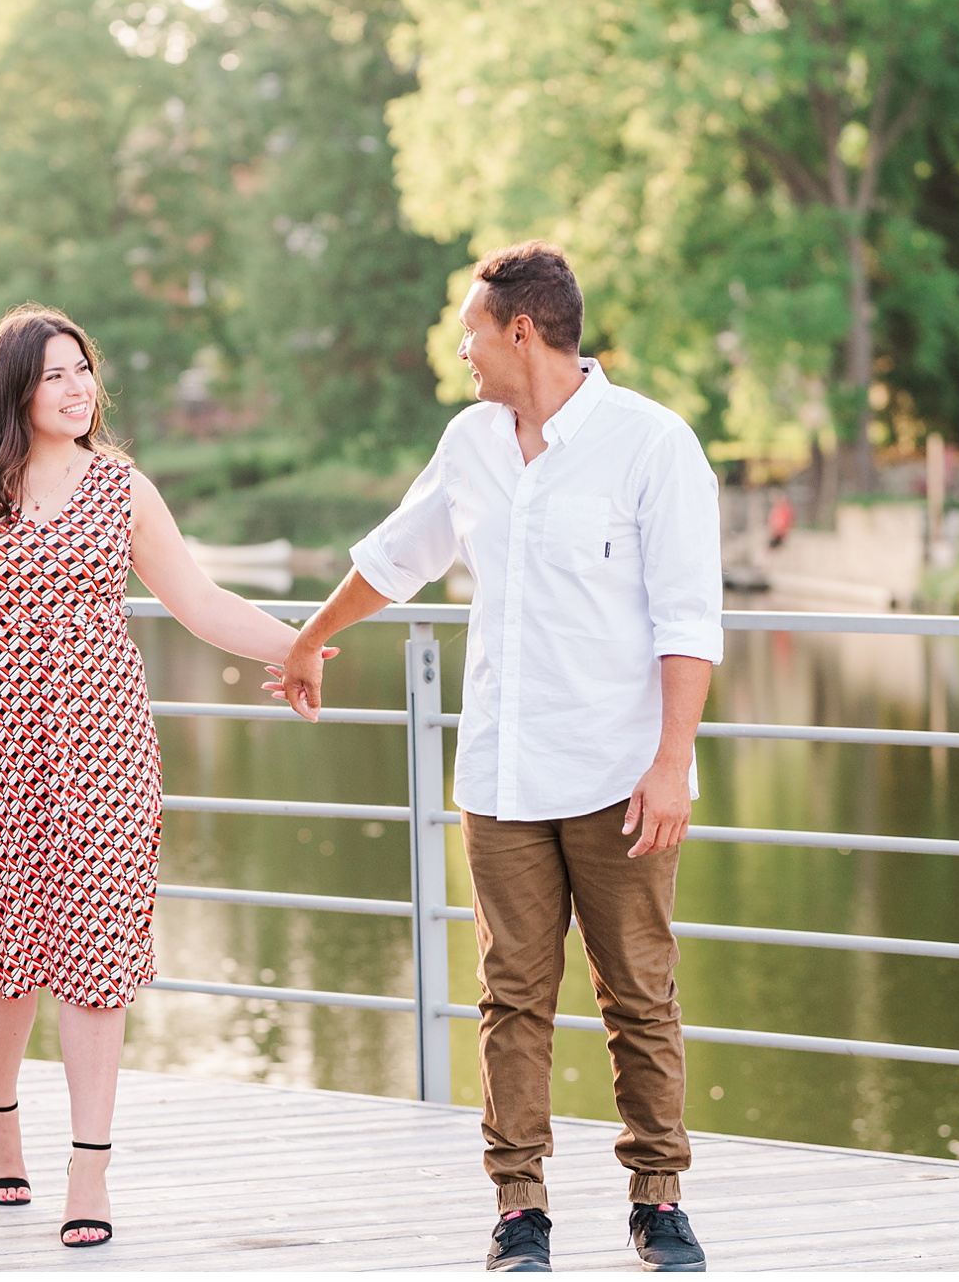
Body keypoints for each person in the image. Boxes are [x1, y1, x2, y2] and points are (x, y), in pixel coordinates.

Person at [272, 243, 722, 1273]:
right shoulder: (471, 442)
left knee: (636, 993)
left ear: (522, 330)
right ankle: (519, 1207)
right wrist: (308, 636)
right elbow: (398, 553)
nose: (461, 351)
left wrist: (669, 761)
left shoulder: (652, 445)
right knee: (510, 996)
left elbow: (689, 619)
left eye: (471, 330)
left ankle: (659, 1197)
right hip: (503, 779)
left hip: (620, 777)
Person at [0, 305, 324, 1249]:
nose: (78, 389)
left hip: (105, 753)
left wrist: (300, 645)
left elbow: (194, 599)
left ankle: (92, 1165)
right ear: (13, 389)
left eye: (85, 371)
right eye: (55, 374)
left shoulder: (123, 489)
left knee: (97, 957)